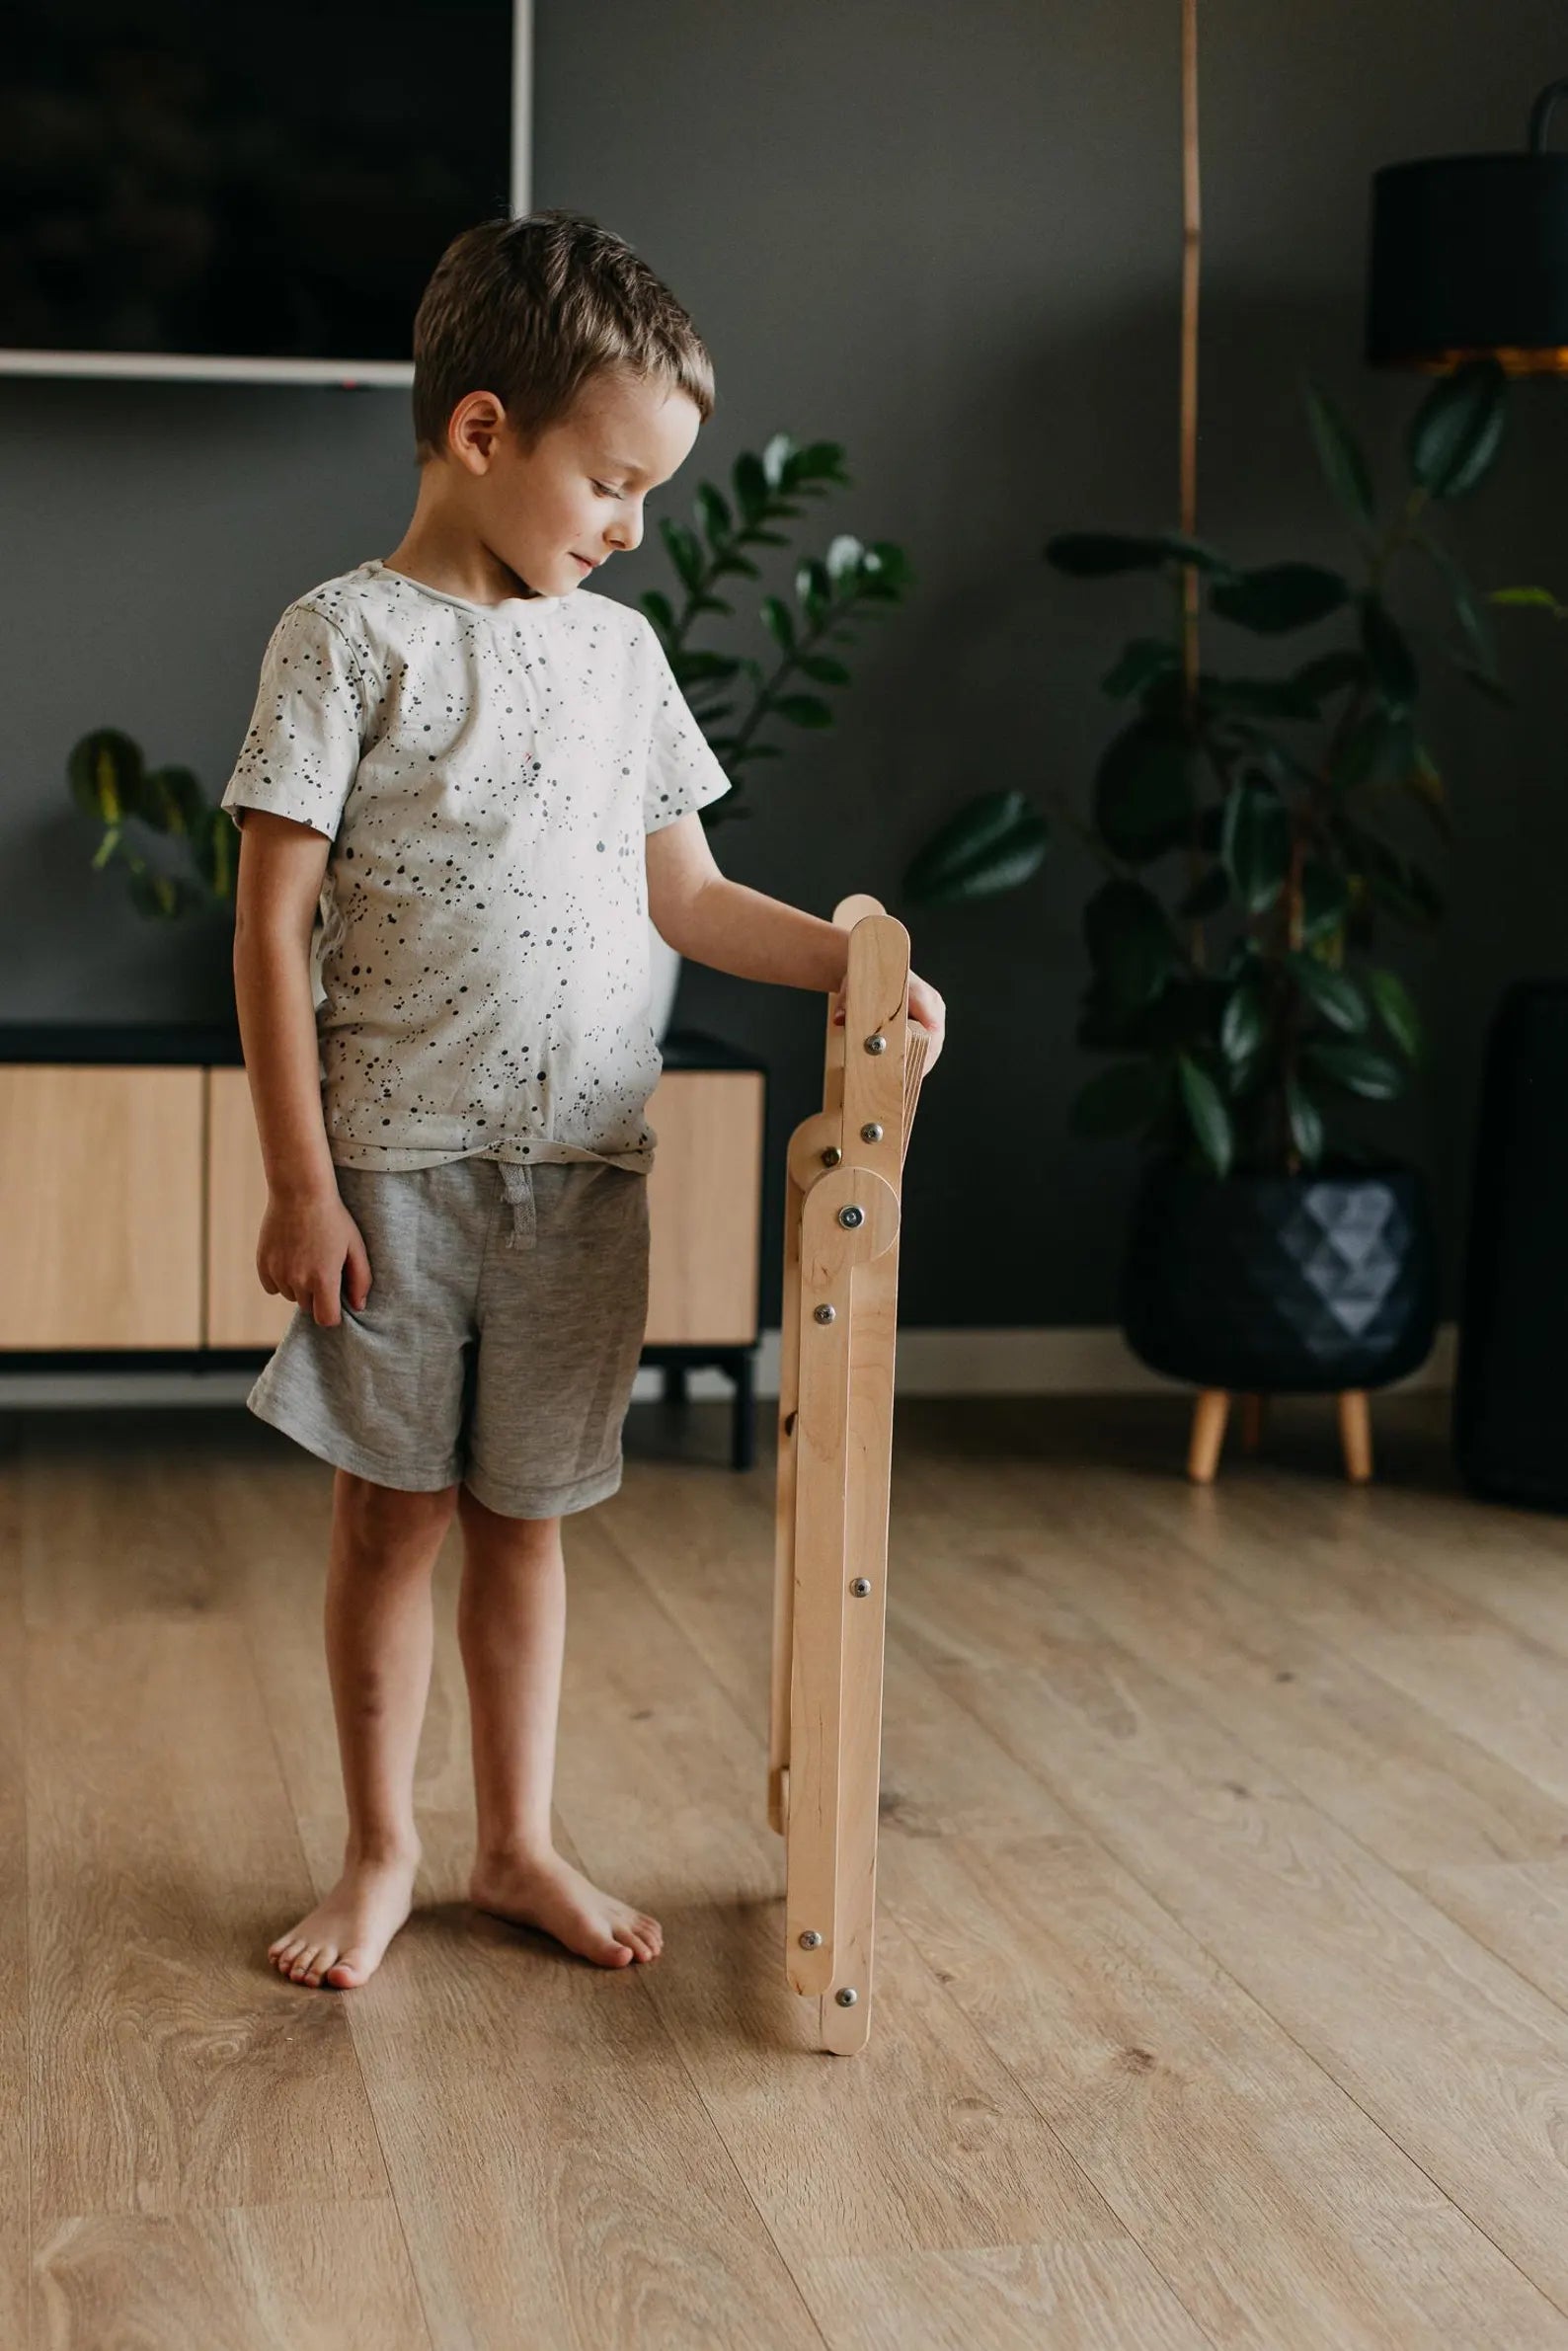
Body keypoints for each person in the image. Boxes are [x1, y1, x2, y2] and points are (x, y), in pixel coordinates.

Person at [222, 209, 946, 1993]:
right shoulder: (345, 638)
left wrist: (858, 961)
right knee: (392, 1514)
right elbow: (270, 918)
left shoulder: (621, 659)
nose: (630, 529)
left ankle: (514, 1839)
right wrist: (299, 1182)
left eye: (650, 497)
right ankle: (383, 1846)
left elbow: (688, 896)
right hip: (394, 1168)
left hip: (580, 1172)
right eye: (612, 484)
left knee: (526, 1516)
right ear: (485, 435)